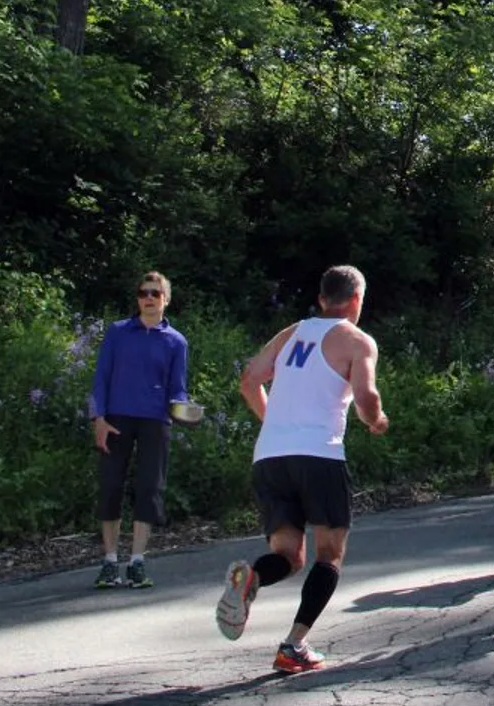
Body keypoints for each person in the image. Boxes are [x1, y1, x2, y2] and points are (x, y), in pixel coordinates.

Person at [215, 265, 388, 674]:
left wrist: (274, 421)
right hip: (319, 456)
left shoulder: (292, 332)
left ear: (322, 297)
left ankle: (251, 577)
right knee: (329, 555)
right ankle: (293, 645)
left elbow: (248, 380)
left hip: (270, 456)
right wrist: (375, 420)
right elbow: (366, 394)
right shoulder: (358, 340)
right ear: (357, 300)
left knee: (288, 556)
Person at [88, 270, 190, 590]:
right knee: (110, 487)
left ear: (166, 300)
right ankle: (109, 562)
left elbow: (178, 389)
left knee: (149, 489)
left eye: (155, 294)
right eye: (144, 293)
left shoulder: (176, 341)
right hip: (116, 419)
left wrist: (185, 409)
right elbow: (101, 378)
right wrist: (98, 419)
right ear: (137, 298)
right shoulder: (118, 332)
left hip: (155, 422)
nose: (148, 298)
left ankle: (136, 562)